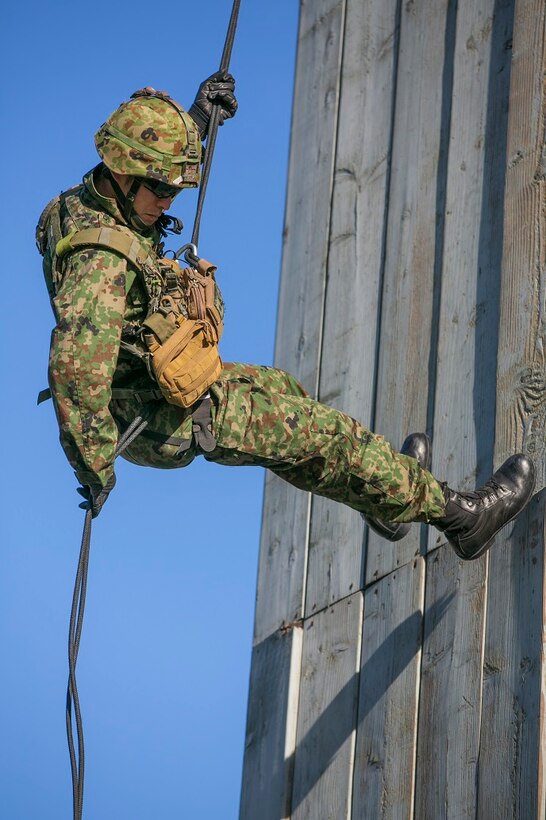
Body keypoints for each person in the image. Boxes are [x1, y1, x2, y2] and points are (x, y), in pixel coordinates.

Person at [37, 78, 535, 562]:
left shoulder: (76, 204)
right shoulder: (100, 261)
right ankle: (463, 519)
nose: (168, 201)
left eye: (174, 187)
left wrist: (195, 125)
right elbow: (76, 374)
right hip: (166, 415)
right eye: (159, 189)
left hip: (162, 392)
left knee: (286, 393)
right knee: (326, 437)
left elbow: (139, 184)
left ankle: (386, 500)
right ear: (123, 173)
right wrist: (96, 467)